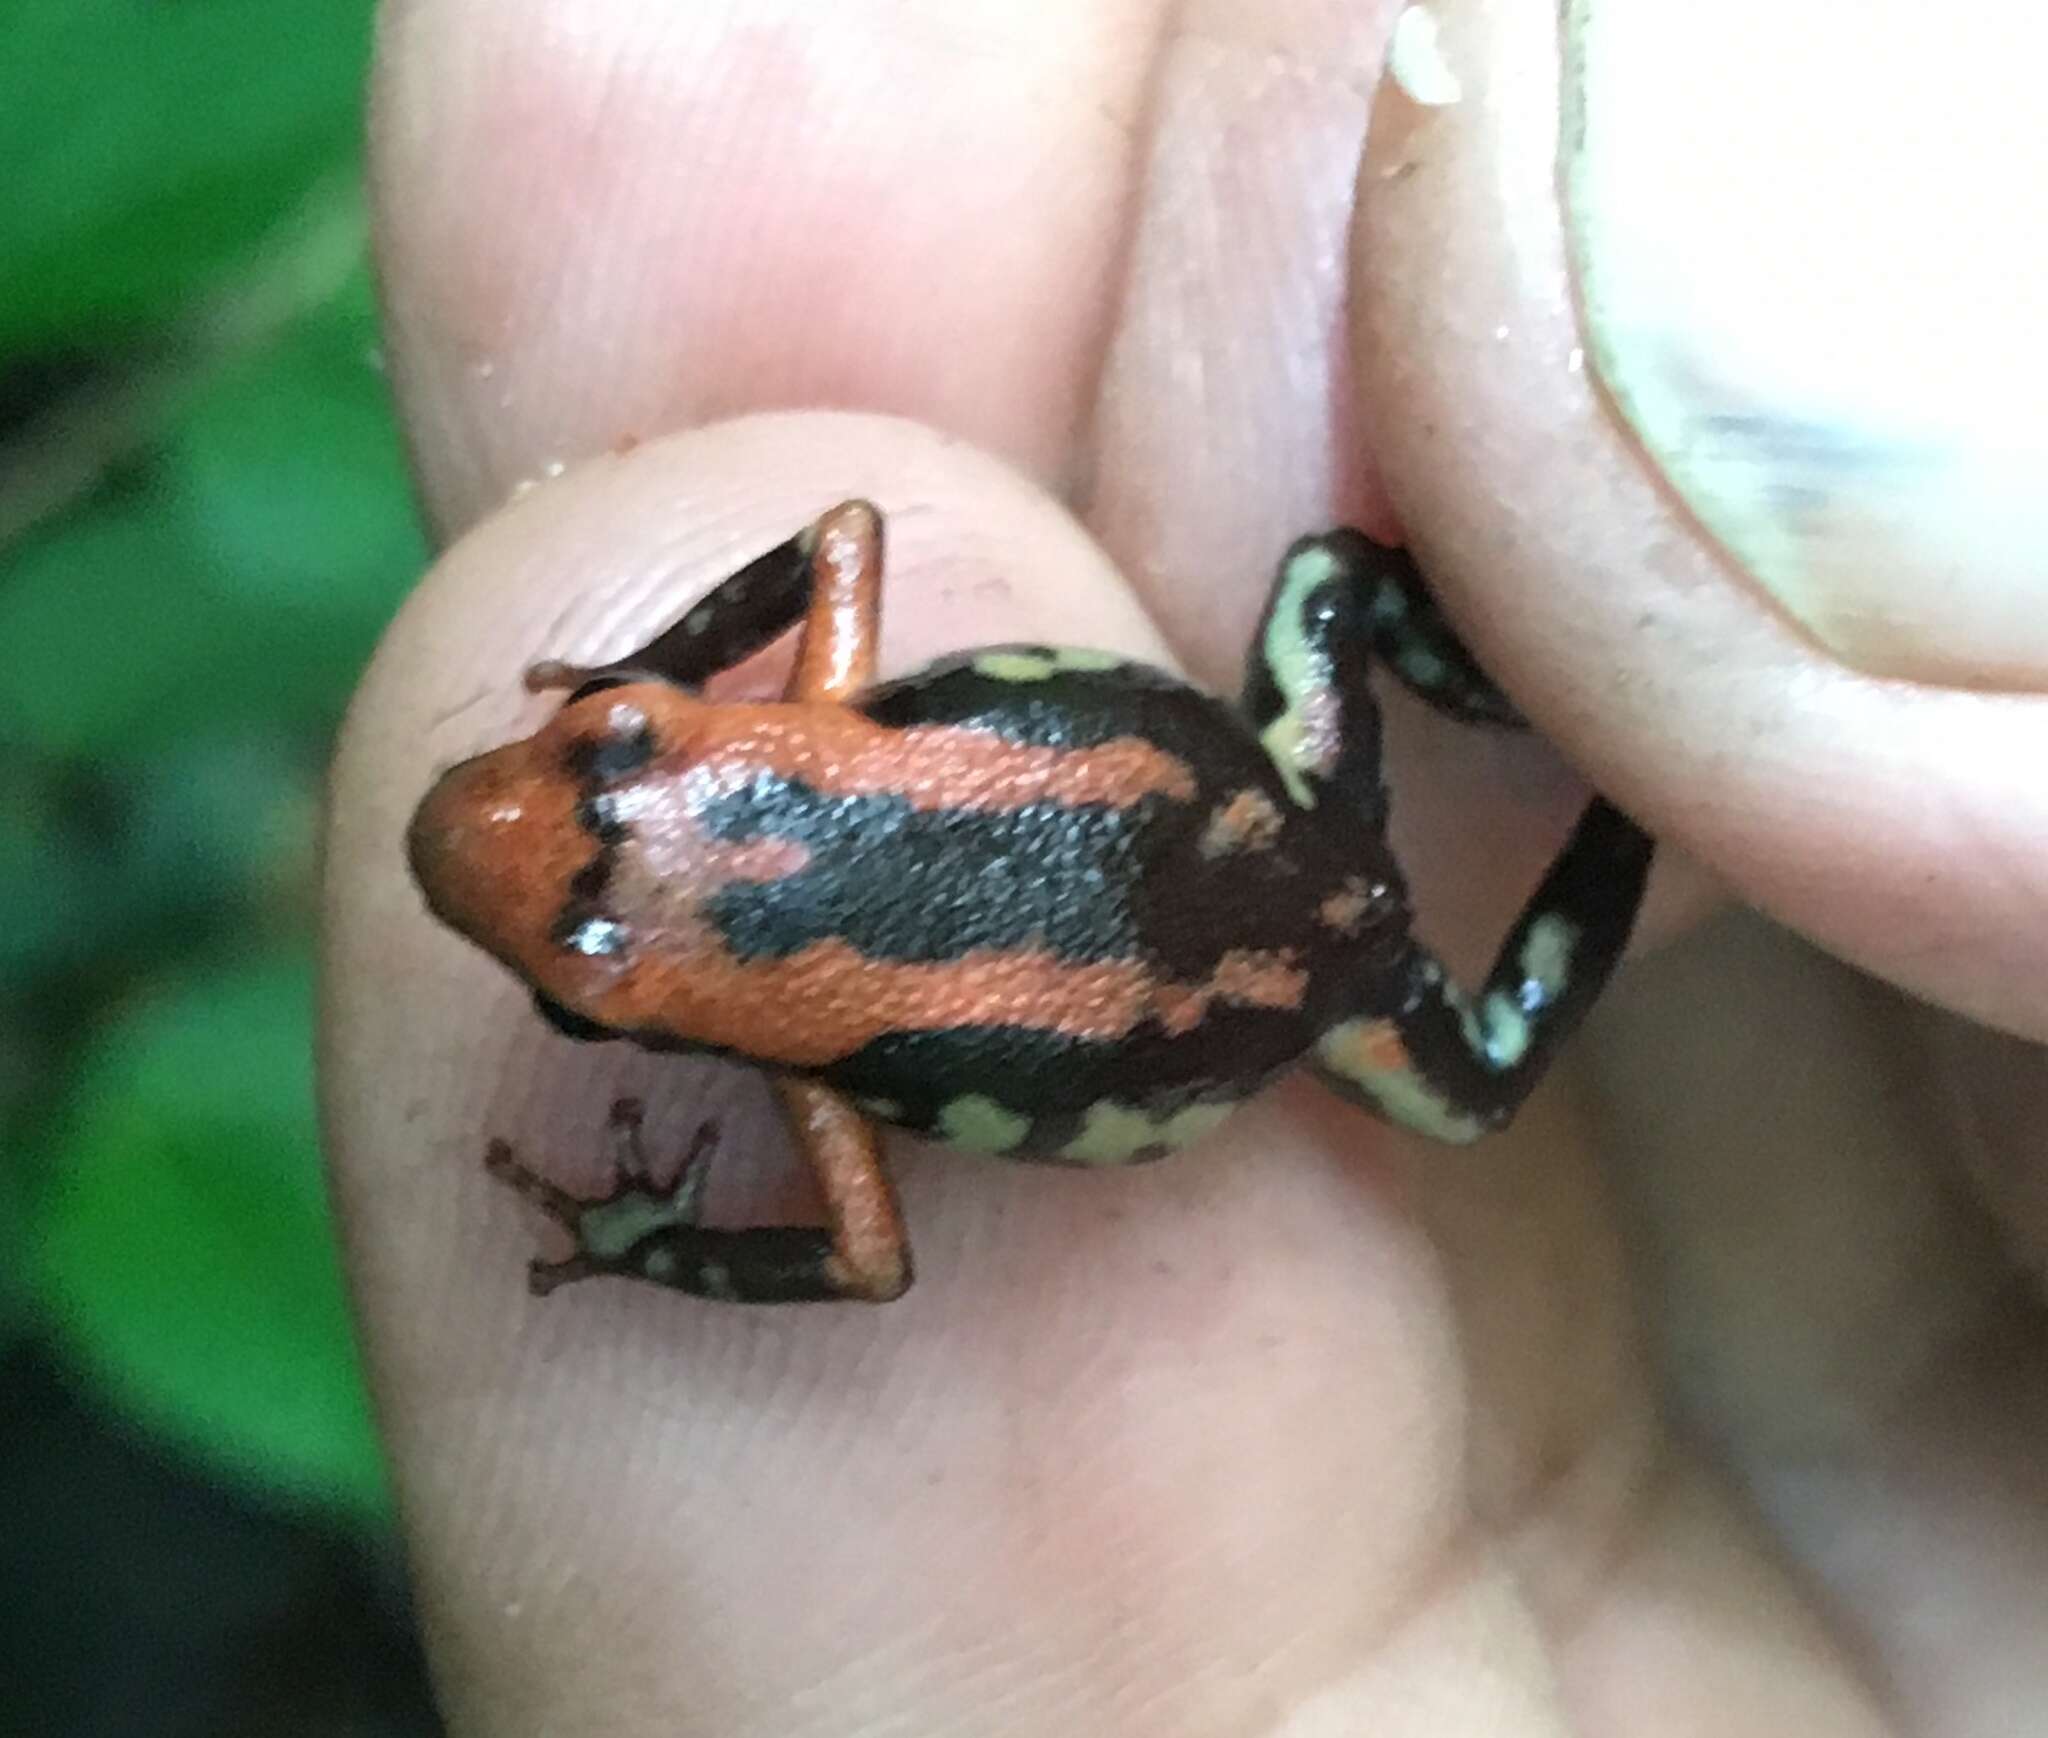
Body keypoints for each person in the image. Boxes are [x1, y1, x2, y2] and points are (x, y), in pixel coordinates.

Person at [324, 2, 2048, 1730]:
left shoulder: (818, 1077)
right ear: (686, 1018)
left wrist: (652, 1233)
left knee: (1464, 1068)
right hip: (1296, 914)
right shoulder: (821, 706)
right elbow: (841, 539)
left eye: (615, 740)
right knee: (1332, 610)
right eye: (593, 979)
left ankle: (1614, 759)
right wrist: (677, 675)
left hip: (1294, 882)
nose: (597, 739)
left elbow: (863, 1256)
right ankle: (1613, 776)